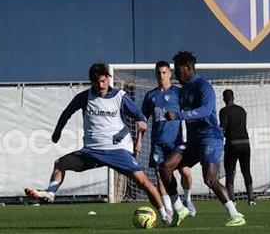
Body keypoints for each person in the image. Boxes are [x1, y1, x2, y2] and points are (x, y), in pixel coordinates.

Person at [24, 62, 167, 213]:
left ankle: (165, 214)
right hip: (92, 151)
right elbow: (67, 113)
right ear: (92, 82)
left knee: (143, 182)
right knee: (60, 163)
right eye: (97, 82)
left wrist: (139, 135)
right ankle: (50, 193)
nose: (101, 85)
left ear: (108, 79)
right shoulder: (84, 97)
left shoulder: (120, 97)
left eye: (103, 81)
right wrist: (57, 132)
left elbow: (140, 117)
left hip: (117, 150)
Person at [156, 51, 245, 228]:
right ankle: (179, 207)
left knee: (209, 179)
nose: (176, 74)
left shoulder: (204, 87)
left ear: (189, 69)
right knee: (165, 168)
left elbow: (205, 110)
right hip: (193, 142)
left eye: (179, 71)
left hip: (211, 138)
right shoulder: (183, 90)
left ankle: (235, 215)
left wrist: (178, 115)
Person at [140, 61, 194, 216]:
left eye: (164, 72)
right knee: (160, 174)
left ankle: (188, 199)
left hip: (176, 142)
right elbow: (143, 121)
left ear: (170, 74)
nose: (161, 76)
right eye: (158, 73)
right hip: (157, 143)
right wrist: (138, 141)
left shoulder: (178, 93)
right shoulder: (150, 95)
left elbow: (189, 114)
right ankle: (169, 210)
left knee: (185, 171)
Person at [219, 88, 254, 203]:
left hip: (232, 144)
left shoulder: (224, 111)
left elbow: (223, 127)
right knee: (246, 170)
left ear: (224, 99)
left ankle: (232, 200)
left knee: (230, 171)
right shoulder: (242, 110)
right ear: (233, 98)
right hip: (245, 143)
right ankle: (251, 198)